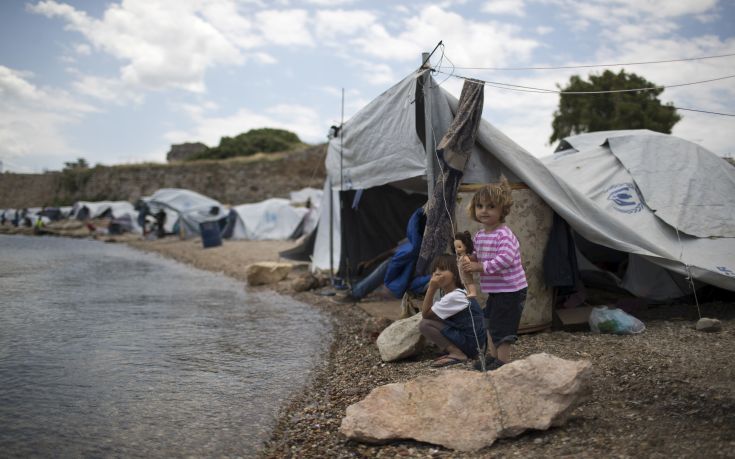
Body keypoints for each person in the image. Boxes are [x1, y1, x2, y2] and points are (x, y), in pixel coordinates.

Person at [461, 178, 528, 371]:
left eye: (490, 207)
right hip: (498, 291)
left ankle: (503, 361)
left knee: (503, 327)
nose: (484, 210)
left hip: (512, 290)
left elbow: (505, 259)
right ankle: (492, 356)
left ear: (502, 210)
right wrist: (468, 259)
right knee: (488, 322)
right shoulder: (480, 235)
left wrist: (479, 267)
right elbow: (477, 255)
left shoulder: (504, 234)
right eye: (480, 206)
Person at [418, 254, 485, 368]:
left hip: (473, 344)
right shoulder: (456, 292)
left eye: (443, 269)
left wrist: (432, 287)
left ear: (455, 274)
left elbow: (426, 314)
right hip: (476, 344)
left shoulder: (455, 296)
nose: (437, 273)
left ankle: (457, 353)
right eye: (434, 270)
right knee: (432, 319)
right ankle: (455, 350)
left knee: (425, 324)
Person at [452, 231, 478, 298]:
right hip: (462, 272)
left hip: (466, 271)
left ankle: (473, 292)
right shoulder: (460, 257)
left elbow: (468, 262)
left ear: (466, 246)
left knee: (469, 282)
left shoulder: (465, 257)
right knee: (465, 283)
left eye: (459, 247)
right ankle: (468, 292)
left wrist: (469, 268)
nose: (457, 249)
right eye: (455, 248)